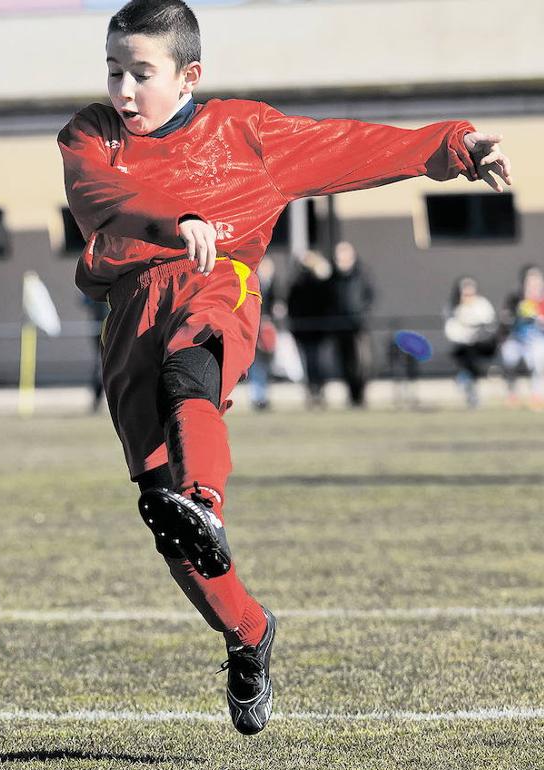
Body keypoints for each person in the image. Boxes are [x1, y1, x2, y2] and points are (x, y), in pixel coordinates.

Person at [59, 0, 510, 736]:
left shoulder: (244, 131)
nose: (124, 91)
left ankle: (207, 501)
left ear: (189, 75)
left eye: (142, 74)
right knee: (163, 521)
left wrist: (454, 146)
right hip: (130, 315)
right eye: (115, 72)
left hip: (215, 283)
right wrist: (179, 217)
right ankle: (248, 634)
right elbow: (101, 195)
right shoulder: (90, 134)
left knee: (191, 373)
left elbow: (351, 146)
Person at [327, 241, 375, 407]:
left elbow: (370, 296)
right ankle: (352, 395)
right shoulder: (333, 278)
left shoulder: (362, 274)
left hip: (358, 326)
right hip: (341, 326)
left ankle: (361, 395)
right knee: (345, 362)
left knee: (362, 362)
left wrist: (362, 315)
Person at [286, 250, 333, 409]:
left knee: (317, 362)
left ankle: (318, 392)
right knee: (309, 363)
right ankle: (313, 392)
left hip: (316, 329)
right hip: (305, 329)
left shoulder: (318, 282)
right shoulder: (298, 283)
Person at [443, 276, 498, 408]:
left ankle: (465, 379)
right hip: (464, 349)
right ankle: (468, 385)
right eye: (465, 293)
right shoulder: (453, 308)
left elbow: (490, 326)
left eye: (471, 292)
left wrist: (476, 334)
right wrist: (467, 336)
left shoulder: (482, 305)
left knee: (472, 356)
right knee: (468, 355)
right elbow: (451, 332)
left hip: (483, 346)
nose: (469, 296)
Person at [499, 264, 544, 409]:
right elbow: (505, 318)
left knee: (539, 359)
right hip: (517, 339)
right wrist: (514, 316)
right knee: (508, 356)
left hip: (538, 340)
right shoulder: (515, 298)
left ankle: (537, 395)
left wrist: (539, 319)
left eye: (537, 279)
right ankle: (512, 394)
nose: (534, 283)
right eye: (530, 280)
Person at [246, 255, 278, 410]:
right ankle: (258, 396)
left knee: (267, 365)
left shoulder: (274, 285)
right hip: (255, 330)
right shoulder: (254, 283)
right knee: (256, 364)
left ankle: (264, 395)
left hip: (268, 332)